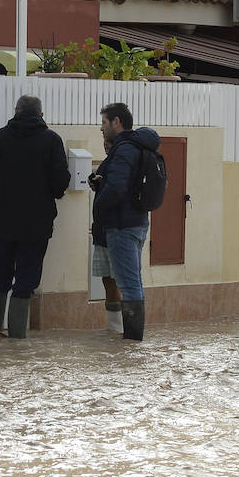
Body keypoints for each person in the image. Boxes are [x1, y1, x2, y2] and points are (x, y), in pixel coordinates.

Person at [0, 94, 70, 339]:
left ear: (16, 111)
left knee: (0, 275)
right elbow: (60, 185)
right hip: (37, 226)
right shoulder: (51, 141)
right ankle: (16, 339)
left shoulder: (0, 137)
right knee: (26, 279)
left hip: (4, 223)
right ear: (42, 115)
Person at [91, 102, 161, 341]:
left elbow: (117, 188)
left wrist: (99, 206)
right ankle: (130, 342)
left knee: (129, 284)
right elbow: (125, 185)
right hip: (137, 221)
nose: (101, 128)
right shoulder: (135, 147)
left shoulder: (124, 149)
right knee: (132, 280)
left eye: (104, 122)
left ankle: (132, 341)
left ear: (116, 122)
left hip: (122, 225)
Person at [89, 125, 123, 334]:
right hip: (102, 232)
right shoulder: (106, 164)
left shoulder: (124, 163)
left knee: (122, 280)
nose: (105, 145)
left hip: (119, 231)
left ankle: (125, 329)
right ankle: (115, 329)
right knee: (107, 279)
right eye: (104, 142)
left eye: (109, 142)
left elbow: (119, 192)